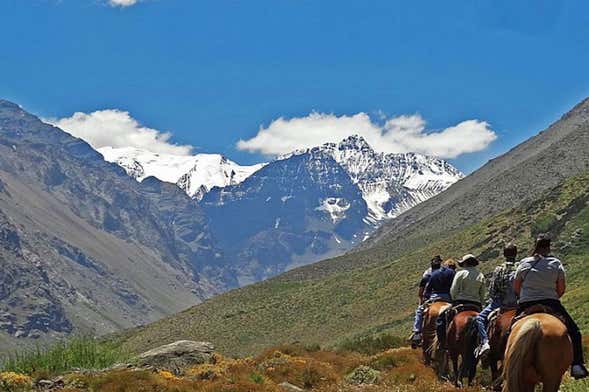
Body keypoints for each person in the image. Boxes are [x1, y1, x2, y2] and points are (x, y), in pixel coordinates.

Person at [513, 235, 588, 379]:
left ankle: (506, 363)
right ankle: (577, 365)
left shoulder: (524, 263)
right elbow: (561, 289)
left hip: (526, 303)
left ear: (535, 246)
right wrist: (552, 296)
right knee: (575, 332)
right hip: (550, 302)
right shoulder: (556, 263)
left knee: (509, 331)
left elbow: (516, 287)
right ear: (549, 247)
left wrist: (526, 296)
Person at [475, 243, 519, 359]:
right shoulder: (520, 268)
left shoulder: (499, 269)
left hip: (501, 303)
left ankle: (484, 343)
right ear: (516, 254)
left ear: (504, 254)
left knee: (479, 319)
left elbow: (493, 290)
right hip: (518, 303)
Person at [436, 254, 486, 349]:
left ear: (465, 263)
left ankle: (443, 343)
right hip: (476, 305)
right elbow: (482, 294)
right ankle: (484, 342)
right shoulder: (481, 275)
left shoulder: (460, 274)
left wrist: (454, 299)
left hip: (460, 303)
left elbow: (453, 290)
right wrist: (481, 302)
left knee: (441, 319)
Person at [411, 256, 443, 346]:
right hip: (446, 297)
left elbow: (422, 293)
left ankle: (417, 333)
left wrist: (421, 301)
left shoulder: (427, 275)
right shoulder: (444, 273)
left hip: (431, 298)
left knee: (419, 311)